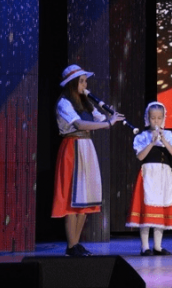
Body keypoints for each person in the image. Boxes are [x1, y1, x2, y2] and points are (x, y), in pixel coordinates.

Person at [51, 65, 124, 256]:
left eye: (85, 81)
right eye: (82, 81)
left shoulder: (86, 102)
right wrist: (108, 124)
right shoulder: (64, 103)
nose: (85, 85)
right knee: (72, 198)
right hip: (72, 148)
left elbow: (100, 119)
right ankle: (71, 245)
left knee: (84, 198)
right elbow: (80, 124)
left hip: (86, 147)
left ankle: (75, 244)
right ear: (73, 83)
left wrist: (110, 116)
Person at [126, 102, 172, 255]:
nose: (156, 121)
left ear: (164, 118)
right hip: (148, 174)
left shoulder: (169, 135)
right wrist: (152, 142)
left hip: (163, 175)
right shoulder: (142, 136)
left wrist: (163, 140)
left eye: (159, 118)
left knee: (161, 208)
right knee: (146, 210)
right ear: (148, 118)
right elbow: (140, 157)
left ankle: (158, 246)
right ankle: (145, 247)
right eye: (153, 118)